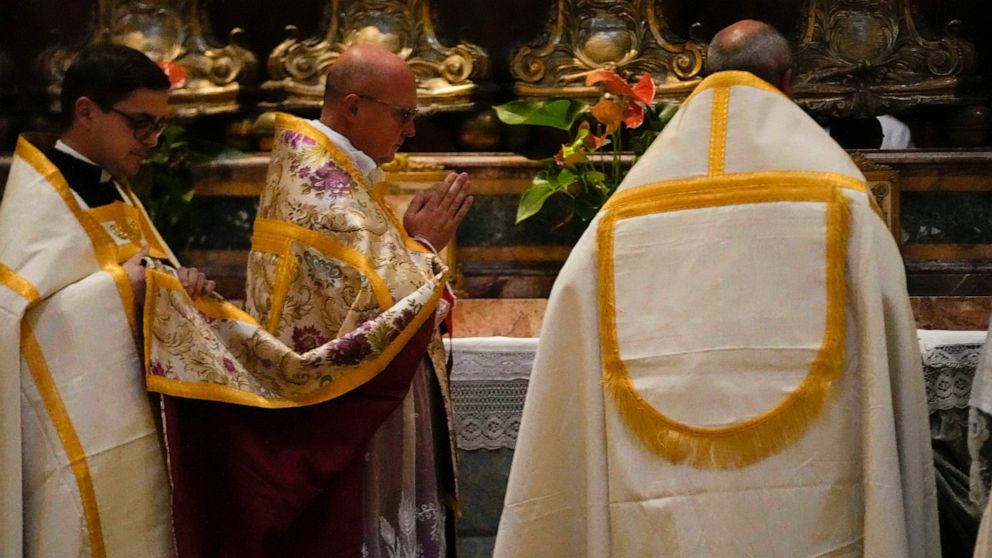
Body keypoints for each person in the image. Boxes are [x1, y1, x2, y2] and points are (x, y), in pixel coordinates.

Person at [494, 20, 939, 557]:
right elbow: (885, 322)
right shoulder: (839, 194)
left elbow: (569, 334)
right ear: (789, 80)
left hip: (660, 508)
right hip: (810, 497)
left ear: (704, 76)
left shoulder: (626, 210)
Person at [153, 43, 473, 557]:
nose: (410, 130)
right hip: (335, 422)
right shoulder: (326, 194)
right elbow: (383, 312)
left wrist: (412, 245)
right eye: (403, 115)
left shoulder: (325, 174)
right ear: (352, 106)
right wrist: (424, 248)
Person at [0, 44, 213, 557]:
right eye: (141, 123)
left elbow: (140, 273)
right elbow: (14, 328)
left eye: (159, 125)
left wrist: (175, 285)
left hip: (130, 424)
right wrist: (126, 288)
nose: (153, 140)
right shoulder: (38, 201)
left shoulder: (112, 190)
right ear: (86, 111)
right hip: (68, 444)